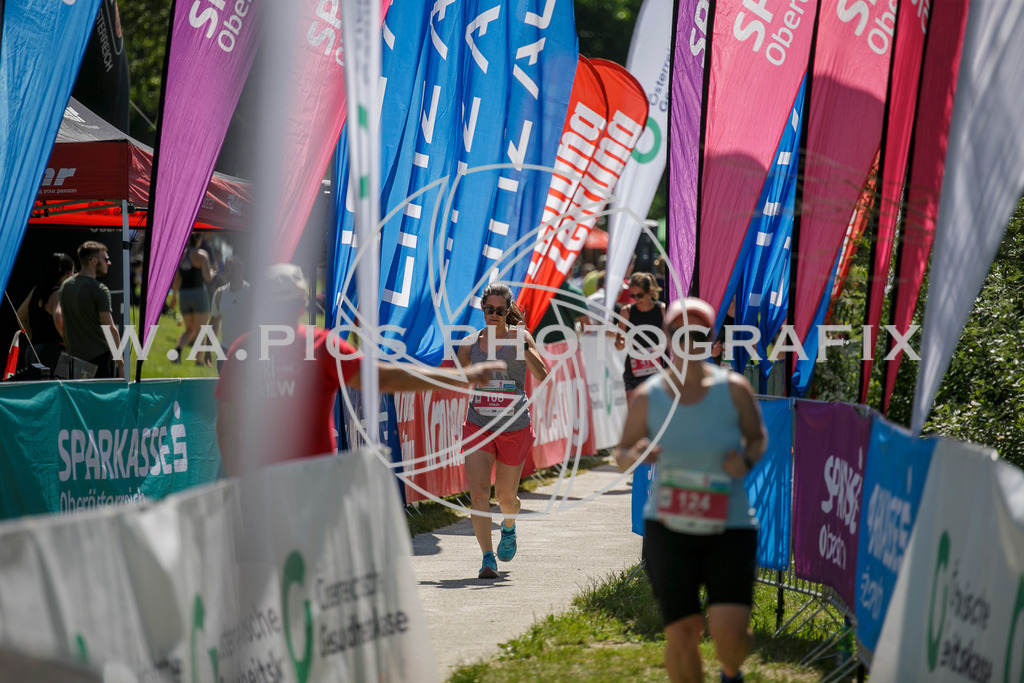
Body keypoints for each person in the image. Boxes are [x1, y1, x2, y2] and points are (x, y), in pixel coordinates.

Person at [215, 264, 504, 476]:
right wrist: (461, 376)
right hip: (314, 485)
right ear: (302, 303)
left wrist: (241, 482)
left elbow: (226, 427)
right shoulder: (321, 346)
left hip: (262, 483)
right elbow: (386, 378)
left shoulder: (242, 350)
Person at [615, 297, 767, 683]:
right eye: (680, 333)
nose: (689, 341)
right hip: (669, 527)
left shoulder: (734, 389)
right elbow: (621, 452)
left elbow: (757, 438)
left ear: (712, 342)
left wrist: (746, 461)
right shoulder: (649, 395)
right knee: (682, 634)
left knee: (729, 635)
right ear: (668, 339)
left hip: (729, 527)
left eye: (699, 334)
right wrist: (638, 452)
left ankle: (730, 670)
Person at [456, 283, 549, 579]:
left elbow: (542, 375)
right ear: (482, 310)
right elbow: (457, 380)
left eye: (499, 310)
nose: (493, 315)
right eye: (488, 310)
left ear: (508, 311)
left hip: (514, 426)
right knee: (480, 492)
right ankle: (487, 557)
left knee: (506, 497)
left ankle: (508, 526)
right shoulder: (471, 343)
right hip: (478, 424)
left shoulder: (520, 337)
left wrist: (523, 349)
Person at [59, 241, 123, 378]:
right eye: (106, 259)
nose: (109, 263)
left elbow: (63, 327)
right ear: (94, 261)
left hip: (74, 359)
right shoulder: (99, 289)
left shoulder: (65, 286)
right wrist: (121, 364)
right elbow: (110, 328)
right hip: (99, 360)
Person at [15, 253, 75, 372]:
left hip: (32, 351)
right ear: (68, 274)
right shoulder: (59, 293)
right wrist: (68, 344)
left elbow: (20, 316)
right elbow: (59, 317)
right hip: (53, 353)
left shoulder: (36, 291)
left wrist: (34, 339)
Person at [616, 272, 667, 402]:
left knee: (658, 410)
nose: (636, 299)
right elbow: (618, 343)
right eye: (632, 295)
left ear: (649, 291)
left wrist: (660, 347)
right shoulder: (626, 312)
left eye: (640, 295)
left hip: (657, 367)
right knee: (634, 410)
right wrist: (621, 342)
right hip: (635, 369)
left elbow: (670, 339)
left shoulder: (661, 310)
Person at [170, 232, 215, 364]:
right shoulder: (202, 255)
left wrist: (174, 297)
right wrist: (213, 271)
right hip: (199, 294)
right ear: (199, 239)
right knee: (201, 330)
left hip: (184, 294)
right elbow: (208, 277)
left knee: (190, 329)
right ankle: (199, 360)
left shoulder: (181, 255)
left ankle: (177, 352)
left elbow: (176, 279)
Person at [210, 256, 251, 373]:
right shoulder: (220, 294)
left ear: (241, 270)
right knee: (225, 390)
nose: (229, 273)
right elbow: (214, 322)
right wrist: (207, 349)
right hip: (225, 350)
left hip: (248, 350)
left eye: (233, 270)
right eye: (227, 270)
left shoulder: (251, 293)